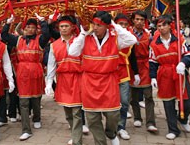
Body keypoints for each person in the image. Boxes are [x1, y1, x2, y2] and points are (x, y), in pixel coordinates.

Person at [68, 11, 137, 145]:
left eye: (99, 25)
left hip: (109, 81)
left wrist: (114, 25)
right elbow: (72, 52)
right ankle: (101, 142)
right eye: (93, 24)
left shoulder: (115, 38)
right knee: (92, 118)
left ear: (106, 26)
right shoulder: (85, 38)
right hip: (89, 81)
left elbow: (132, 40)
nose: (95, 28)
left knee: (113, 114)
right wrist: (83, 34)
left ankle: (111, 133)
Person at [1, 13, 51, 141]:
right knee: (23, 101)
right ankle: (26, 130)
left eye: (33, 27)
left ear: (36, 29)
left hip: (35, 71)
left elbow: (47, 35)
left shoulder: (39, 40)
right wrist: (8, 23)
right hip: (22, 72)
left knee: (35, 99)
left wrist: (43, 22)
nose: (30, 30)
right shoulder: (18, 40)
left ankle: (37, 118)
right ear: (24, 28)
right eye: (28, 27)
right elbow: (4, 36)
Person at [149, 15, 190, 140]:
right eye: (159, 26)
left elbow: (189, 54)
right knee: (168, 103)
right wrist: (152, 77)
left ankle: (183, 118)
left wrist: (183, 62)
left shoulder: (180, 39)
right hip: (164, 74)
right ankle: (173, 129)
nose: (162, 28)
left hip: (179, 72)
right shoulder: (154, 44)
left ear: (170, 25)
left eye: (164, 25)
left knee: (187, 102)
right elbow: (153, 62)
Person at [45, 15, 82, 145]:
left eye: (66, 26)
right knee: (68, 112)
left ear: (72, 27)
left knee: (77, 111)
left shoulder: (80, 41)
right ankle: (75, 133)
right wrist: (49, 82)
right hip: (63, 80)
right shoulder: (54, 45)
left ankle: (77, 140)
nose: (64, 29)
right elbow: (51, 65)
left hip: (78, 78)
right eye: (61, 26)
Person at [128, 11, 158, 133]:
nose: (139, 22)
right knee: (133, 95)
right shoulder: (128, 34)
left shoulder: (149, 35)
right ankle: (137, 117)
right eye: (137, 19)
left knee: (148, 95)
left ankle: (150, 122)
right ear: (133, 20)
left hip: (145, 65)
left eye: (142, 19)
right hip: (132, 67)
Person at [114, 14, 139, 141]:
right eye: (120, 24)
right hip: (109, 73)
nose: (123, 27)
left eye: (125, 24)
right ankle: (111, 126)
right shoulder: (109, 37)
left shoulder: (129, 39)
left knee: (124, 102)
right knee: (111, 103)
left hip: (124, 72)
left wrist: (137, 72)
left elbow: (133, 57)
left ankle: (121, 127)